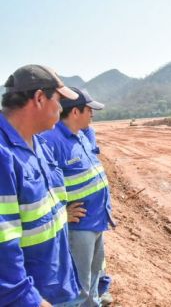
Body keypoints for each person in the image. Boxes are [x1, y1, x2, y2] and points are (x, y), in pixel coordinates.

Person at [0, 64, 82, 307]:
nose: (60, 107)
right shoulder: (4, 156)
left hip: (59, 285)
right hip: (34, 298)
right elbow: (3, 245)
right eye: (58, 100)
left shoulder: (40, 144)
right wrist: (29, 300)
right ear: (38, 98)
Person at [42, 88, 113, 307]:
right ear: (75, 112)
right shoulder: (51, 140)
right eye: (89, 110)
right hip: (78, 227)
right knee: (78, 285)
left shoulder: (82, 135)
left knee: (93, 275)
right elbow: (40, 185)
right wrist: (61, 212)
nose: (92, 114)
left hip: (96, 220)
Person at [81, 126, 113, 307]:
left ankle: (100, 289)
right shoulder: (55, 139)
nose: (91, 114)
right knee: (83, 271)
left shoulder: (85, 133)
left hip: (94, 215)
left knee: (96, 263)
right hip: (81, 220)